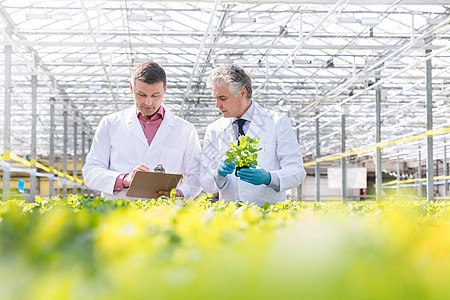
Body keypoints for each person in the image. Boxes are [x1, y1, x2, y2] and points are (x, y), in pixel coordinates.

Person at [83, 62, 201, 200]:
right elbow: (90, 171)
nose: (148, 102)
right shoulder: (110, 124)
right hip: (118, 214)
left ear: (165, 90)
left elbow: (197, 176)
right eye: (141, 94)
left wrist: (179, 194)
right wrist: (125, 179)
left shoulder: (185, 130)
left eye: (155, 95)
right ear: (132, 88)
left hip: (164, 213)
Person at [200, 64, 306, 206]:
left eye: (223, 98)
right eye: (215, 98)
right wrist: (218, 175)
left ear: (243, 93)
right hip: (229, 217)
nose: (217, 105)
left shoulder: (277, 122)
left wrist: (269, 178)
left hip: (269, 217)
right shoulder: (213, 130)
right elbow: (206, 182)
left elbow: (297, 171)